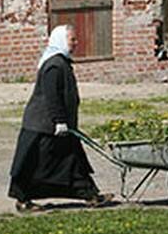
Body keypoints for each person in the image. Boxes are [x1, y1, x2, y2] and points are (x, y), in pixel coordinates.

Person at [8, 24, 113, 212]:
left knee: (73, 162)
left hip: (57, 127)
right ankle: (23, 200)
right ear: (61, 41)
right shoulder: (54, 66)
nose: (76, 43)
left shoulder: (62, 62)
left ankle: (91, 196)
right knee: (35, 165)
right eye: (72, 40)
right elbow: (51, 96)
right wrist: (59, 121)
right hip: (44, 127)